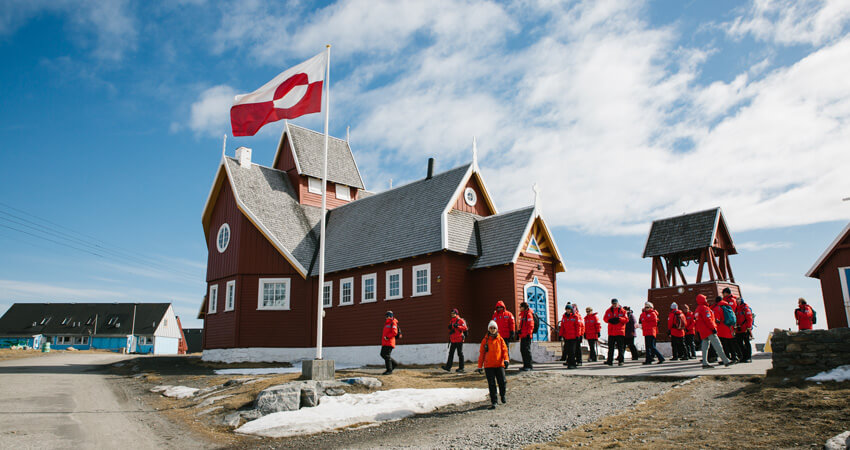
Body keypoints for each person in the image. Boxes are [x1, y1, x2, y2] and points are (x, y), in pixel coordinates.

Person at [477, 320, 509, 409]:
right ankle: (494, 401)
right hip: (489, 366)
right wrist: (480, 366)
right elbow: (482, 353)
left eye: (494, 328)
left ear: (496, 329)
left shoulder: (500, 339)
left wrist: (506, 360)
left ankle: (502, 395)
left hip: (499, 364)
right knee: (491, 384)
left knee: (502, 382)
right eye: (491, 328)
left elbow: (504, 351)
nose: (492, 330)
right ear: (488, 329)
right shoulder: (485, 340)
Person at [695, 294, 731, 368]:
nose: (706, 300)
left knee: (705, 347)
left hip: (702, 331)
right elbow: (708, 319)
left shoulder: (697, 309)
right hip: (709, 330)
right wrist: (713, 328)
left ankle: (705, 362)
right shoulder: (705, 308)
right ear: (703, 300)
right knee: (718, 345)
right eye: (705, 299)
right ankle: (726, 360)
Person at [712, 294, 737, 363]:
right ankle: (734, 357)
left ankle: (726, 359)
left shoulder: (717, 308)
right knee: (731, 343)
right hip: (729, 327)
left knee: (724, 345)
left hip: (722, 329)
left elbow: (717, 320)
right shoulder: (727, 306)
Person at [442, 308, 468, 372]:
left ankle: (461, 368)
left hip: (459, 340)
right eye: (451, 313)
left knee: (460, 354)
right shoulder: (451, 321)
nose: (452, 314)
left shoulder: (461, 320)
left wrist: (458, 326)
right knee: (451, 354)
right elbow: (452, 329)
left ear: (456, 314)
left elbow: (465, 328)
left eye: (453, 313)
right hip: (453, 340)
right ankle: (448, 367)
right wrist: (450, 327)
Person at [721, 288, 743, 361]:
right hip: (729, 323)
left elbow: (731, 312)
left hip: (730, 323)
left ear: (726, 293)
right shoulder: (728, 300)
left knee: (732, 340)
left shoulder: (730, 301)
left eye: (723, 293)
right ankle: (735, 356)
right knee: (730, 340)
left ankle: (737, 355)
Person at [603, 299, 627, 366]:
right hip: (611, 332)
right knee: (610, 348)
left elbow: (626, 319)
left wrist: (619, 319)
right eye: (613, 303)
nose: (614, 305)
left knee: (620, 347)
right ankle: (609, 361)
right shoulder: (608, 310)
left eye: (615, 303)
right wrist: (610, 320)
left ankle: (621, 361)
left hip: (620, 332)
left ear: (618, 303)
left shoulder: (623, 311)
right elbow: (605, 319)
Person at [559, 304, 581, 368]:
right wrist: (560, 335)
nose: (568, 311)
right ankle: (570, 363)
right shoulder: (564, 317)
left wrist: (578, 335)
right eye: (567, 309)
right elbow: (562, 327)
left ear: (571, 310)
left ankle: (573, 364)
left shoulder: (575, 317)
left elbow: (578, 327)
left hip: (573, 336)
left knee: (572, 351)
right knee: (568, 351)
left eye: (569, 309)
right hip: (567, 336)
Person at [517, 302, 535, 371]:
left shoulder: (528, 314)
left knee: (527, 351)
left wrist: (529, 334)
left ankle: (529, 365)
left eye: (520, 307)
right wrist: (519, 332)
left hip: (527, 336)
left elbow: (531, 325)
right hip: (523, 336)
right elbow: (523, 326)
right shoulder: (523, 315)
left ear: (524, 307)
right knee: (523, 350)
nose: (519, 308)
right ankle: (525, 365)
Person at [380, 311, 400, 375]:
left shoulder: (393, 322)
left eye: (388, 316)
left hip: (389, 342)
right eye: (386, 316)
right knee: (383, 354)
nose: (386, 317)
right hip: (385, 342)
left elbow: (394, 332)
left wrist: (388, 337)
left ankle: (389, 370)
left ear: (391, 316)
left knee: (386, 355)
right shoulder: (387, 323)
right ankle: (394, 364)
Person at [735, 298, 754, 363]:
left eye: (739, 300)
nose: (737, 302)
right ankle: (743, 356)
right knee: (739, 343)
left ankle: (748, 357)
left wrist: (749, 327)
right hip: (738, 329)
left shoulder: (745, 308)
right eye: (737, 300)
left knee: (747, 343)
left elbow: (749, 318)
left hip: (745, 329)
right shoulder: (737, 309)